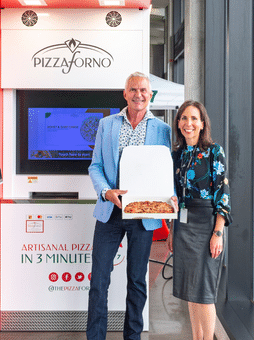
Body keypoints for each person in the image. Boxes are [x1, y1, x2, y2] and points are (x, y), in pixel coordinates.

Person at [86, 72, 172, 340]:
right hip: (110, 211)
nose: (138, 94)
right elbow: (95, 166)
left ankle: (132, 336)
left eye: (143, 90)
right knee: (99, 280)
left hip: (143, 215)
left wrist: (169, 196)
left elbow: (165, 171)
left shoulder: (163, 130)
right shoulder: (107, 125)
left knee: (137, 281)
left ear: (150, 94)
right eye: (133, 89)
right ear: (125, 94)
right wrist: (106, 191)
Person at [168, 100, 232, 340]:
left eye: (194, 118)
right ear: (178, 123)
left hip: (207, 224)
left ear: (203, 123)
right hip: (183, 225)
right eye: (184, 118)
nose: (189, 123)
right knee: (190, 291)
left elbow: (223, 193)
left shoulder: (215, 151)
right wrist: (172, 230)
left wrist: (218, 233)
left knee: (204, 292)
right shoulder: (177, 154)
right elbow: (174, 195)